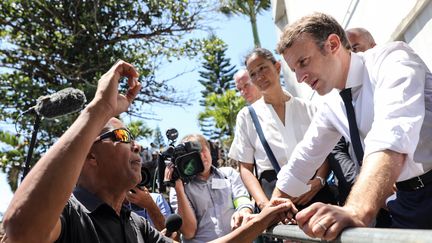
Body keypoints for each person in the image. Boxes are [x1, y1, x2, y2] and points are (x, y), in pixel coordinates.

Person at [274, 12, 432, 240]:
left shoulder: (392, 58)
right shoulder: (330, 104)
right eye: (294, 70)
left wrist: (356, 209)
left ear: (333, 44)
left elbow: (392, 134)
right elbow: (305, 157)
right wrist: (271, 208)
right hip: (406, 204)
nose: (299, 78)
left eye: (303, 62)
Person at [2, 60, 173, 242]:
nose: (137, 146)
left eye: (133, 138)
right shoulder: (68, 215)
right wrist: (101, 107)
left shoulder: (136, 225)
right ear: (91, 154)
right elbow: (20, 230)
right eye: (123, 136)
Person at [229, 48, 336, 213]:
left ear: (277, 67)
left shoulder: (308, 108)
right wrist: (265, 206)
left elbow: (324, 149)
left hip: (315, 194)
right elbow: (245, 168)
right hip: (274, 198)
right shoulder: (247, 117)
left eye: (262, 68)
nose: (259, 76)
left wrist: (319, 181)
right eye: (253, 74)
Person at [168, 134, 255, 242]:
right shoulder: (179, 188)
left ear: (209, 150)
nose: (201, 156)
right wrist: (179, 189)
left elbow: (241, 198)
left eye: (202, 150)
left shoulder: (229, 174)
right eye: (194, 154)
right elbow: (189, 232)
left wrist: (244, 210)